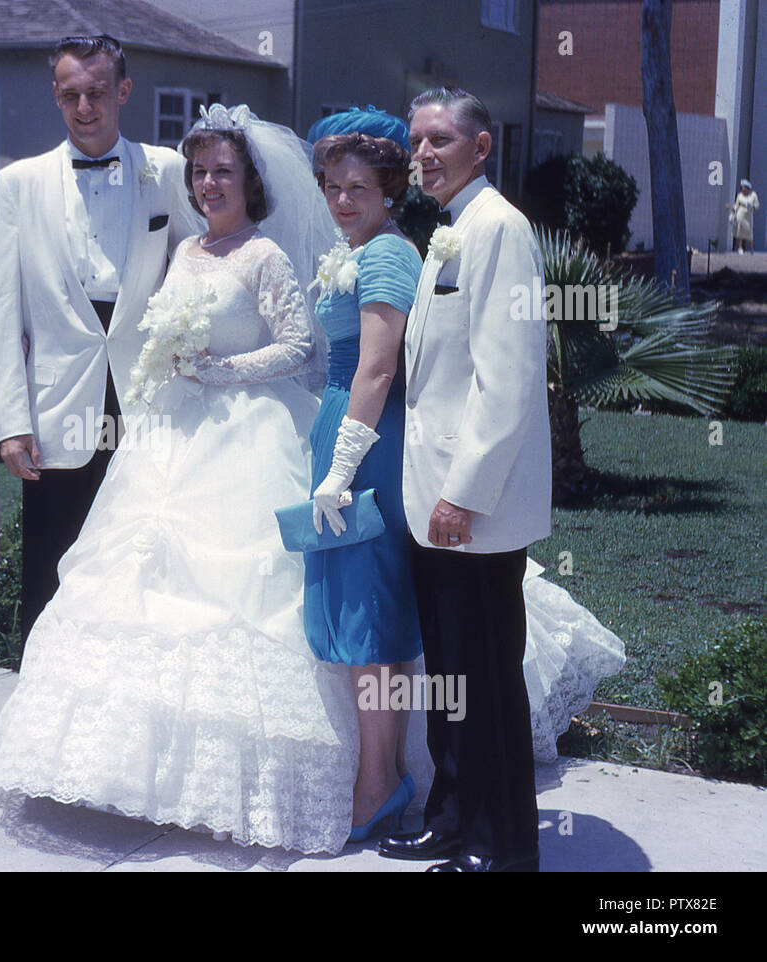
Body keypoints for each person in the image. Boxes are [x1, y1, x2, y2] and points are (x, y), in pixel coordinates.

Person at [0, 104, 390, 854]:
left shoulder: (264, 255)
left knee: (235, 598)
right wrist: (174, 367)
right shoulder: (187, 251)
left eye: (223, 172)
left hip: (246, 436)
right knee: (136, 581)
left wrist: (220, 371)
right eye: (199, 172)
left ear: (250, 182)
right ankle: (138, 775)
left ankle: (247, 778)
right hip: (170, 434)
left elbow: (303, 348)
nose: (208, 184)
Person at [378, 86, 552, 872]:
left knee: (483, 681)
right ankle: (450, 820)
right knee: (451, 681)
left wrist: (463, 493)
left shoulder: (500, 229)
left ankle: (501, 845)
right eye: (416, 140)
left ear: (480, 147)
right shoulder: (450, 230)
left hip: (470, 509)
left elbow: (508, 380)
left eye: (440, 140)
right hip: (433, 502)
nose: (423, 154)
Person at [0, 34, 199, 642]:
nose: (84, 108)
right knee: (53, 564)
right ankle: (40, 710)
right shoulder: (19, 182)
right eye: (71, 95)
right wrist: (10, 421)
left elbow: (198, 263)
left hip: (145, 400)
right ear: (56, 95)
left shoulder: (167, 170)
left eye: (97, 93)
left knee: (137, 561)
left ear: (123, 91)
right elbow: (4, 310)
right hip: (56, 407)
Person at [303, 108, 424, 841]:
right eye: (332, 186)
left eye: (357, 187)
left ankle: (381, 781)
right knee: (356, 614)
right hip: (343, 428)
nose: (343, 200)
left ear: (387, 190)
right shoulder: (357, 247)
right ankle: (377, 776)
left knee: (372, 615)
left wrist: (343, 468)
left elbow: (379, 368)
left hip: (368, 442)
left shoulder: (386, 255)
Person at [728, 179, 759, 254]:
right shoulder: (739, 195)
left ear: (747, 188)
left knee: (749, 232)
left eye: (744, 187)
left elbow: (757, 205)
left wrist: (752, 206)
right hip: (741, 214)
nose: (743, 189)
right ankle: (740, 248)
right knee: (740, 231)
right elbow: (737, 205)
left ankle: (751, 248)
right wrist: (731, 207)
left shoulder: (753, 195)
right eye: (742, 187)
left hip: (749, 216)